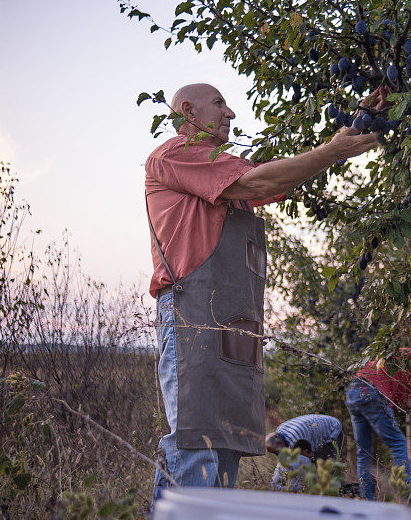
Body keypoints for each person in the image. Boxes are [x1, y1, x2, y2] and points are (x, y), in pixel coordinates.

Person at [146, 83, 386, 506]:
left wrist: (354, 124)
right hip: (194, 320)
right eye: (219, 103)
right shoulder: (175, 153)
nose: (230, 113)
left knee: (227, 445)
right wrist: (334, 152)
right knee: (195, 443)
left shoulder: (220, 170)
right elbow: (258, 183)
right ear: (187, 110)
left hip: (235, 331)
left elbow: (277, 177)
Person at [345, 351, 411, 499]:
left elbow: (406, 401)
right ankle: (405, 498)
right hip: (371, 391)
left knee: (364, 451)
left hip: (354, 389)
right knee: (398, 444)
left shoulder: (400, 353)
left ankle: (366, 499)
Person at [265, 414, 344, 491]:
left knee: (329, 468)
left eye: (276, 452)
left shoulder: (296, 440)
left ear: (279, 443)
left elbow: (305, 462)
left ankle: (337, 492)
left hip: (332, 428)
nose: (278, 455)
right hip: (315, 429)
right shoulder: (280, 433)